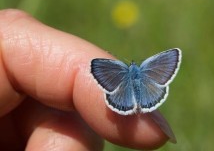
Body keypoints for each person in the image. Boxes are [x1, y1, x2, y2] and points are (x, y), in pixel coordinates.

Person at [0, 9, 174, 150]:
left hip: (125, 92)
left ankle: (130, 104)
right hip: (146, 90)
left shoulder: (119, 68)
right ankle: (143, 102)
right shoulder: (147, 66)